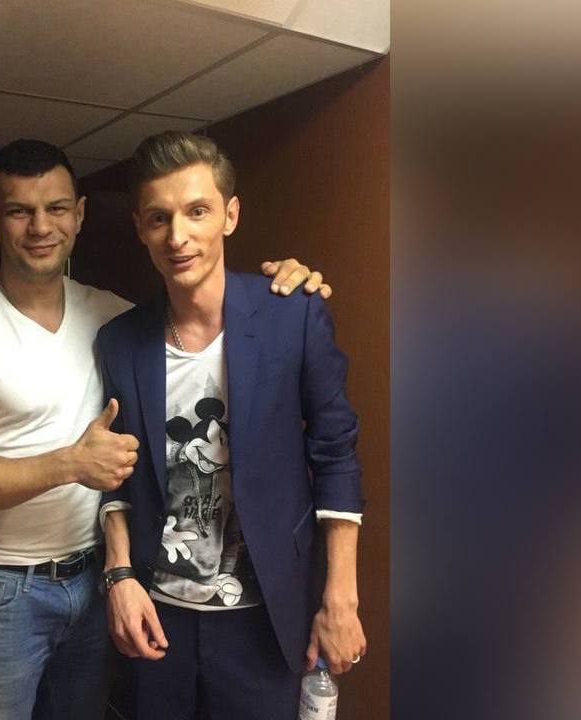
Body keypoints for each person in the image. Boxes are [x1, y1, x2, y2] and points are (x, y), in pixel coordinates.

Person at [0, 138, 334, 720]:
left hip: (101, 575)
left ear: (79, 215)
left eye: (56, 208)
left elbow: (198, 306)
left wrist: (290, 281)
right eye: (19, 211)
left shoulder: (113, 317)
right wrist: (69, 464)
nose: (41, 227)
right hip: (6, 588)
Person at [96, 131, 367, 720]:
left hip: (265, 614)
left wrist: (340, 597)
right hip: (158, 613)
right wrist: (119, 575)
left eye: (197, 211)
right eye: (159, 218)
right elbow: (115, 474)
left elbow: (335, 454)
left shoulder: (291, 313)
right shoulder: (119, 342)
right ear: (140, 228)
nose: (178, 236)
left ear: (230, 215)